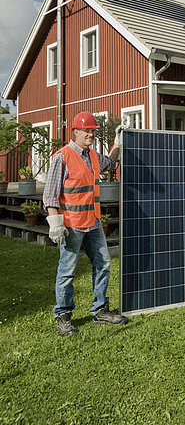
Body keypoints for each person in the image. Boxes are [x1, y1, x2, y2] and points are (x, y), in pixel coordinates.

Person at [43, 111, 127, 337]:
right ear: (75, 132)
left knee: (103, 264)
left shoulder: (93, 156)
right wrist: (55, 223)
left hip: (94, 222)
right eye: (86, 130)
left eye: (93, 130)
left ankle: (100, 310)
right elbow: (50, 194)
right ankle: (63, 316)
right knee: (67, 271)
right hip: (71, 225)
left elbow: (110, 162)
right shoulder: (62, 157)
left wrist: (117, 142)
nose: (90, 134)